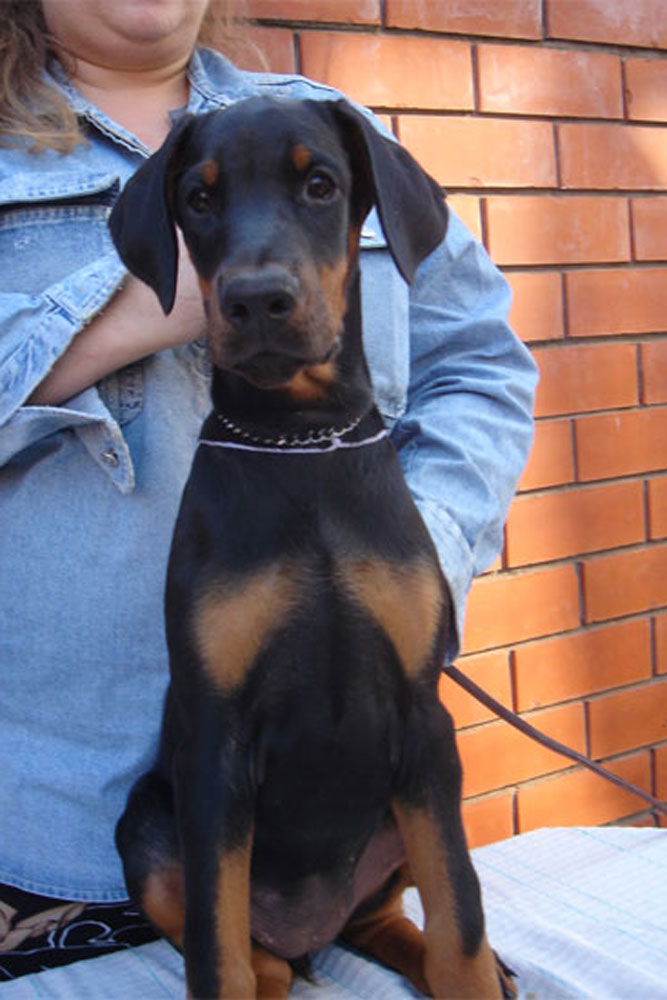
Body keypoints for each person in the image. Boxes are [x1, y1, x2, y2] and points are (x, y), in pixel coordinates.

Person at [0, 0, 538, 982]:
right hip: (61, 855)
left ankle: (381, 926)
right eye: (203, 204)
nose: (257, 272)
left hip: (344, 816)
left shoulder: (335, 129)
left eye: (314, 190)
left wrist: (413, 567)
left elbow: (480, 365)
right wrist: (145, 309)